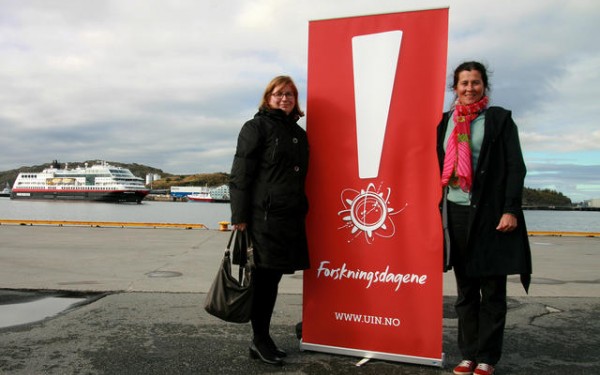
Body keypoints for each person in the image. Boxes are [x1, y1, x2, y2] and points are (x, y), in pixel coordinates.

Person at [436, 61, 532, 375]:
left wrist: (510, 209)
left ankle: (487, 358)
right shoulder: (445, 122)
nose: (469, 88)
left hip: (491, 215)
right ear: (455, 87)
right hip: (456, 213)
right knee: (465, 291)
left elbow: (515, 167)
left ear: (484, 86)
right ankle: (468, 354)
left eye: (475, 83)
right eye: (464, 83)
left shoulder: (499, 120)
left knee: (492, 290)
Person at [229, 75, 310, 366]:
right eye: (278, 93)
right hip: (263, 217)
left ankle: (262, 339)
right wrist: (239, 216)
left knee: (272, 279)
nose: (285, 98)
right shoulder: (256, 127)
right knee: (263, 280)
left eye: (290, 94)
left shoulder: (298, 133)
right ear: (268, 97)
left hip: (289, 217)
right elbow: (240, 173)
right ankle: (260, 339)